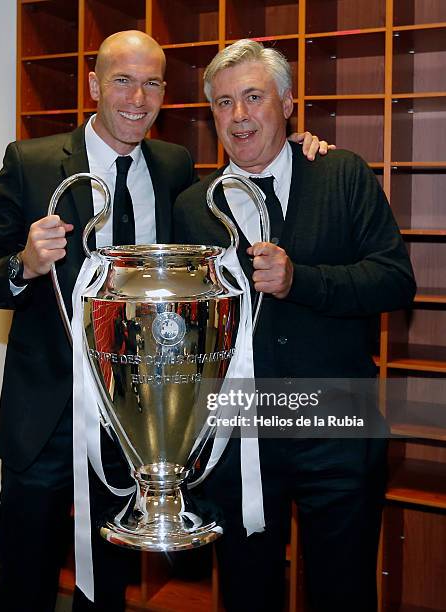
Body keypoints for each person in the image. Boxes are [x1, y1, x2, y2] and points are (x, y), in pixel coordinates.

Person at [0, 30, 331, 612]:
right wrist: (22, 264)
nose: (138, 98)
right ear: (93, 86)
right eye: (123, 80)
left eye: (153, 82)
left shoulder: (174, 165)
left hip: (134, 421)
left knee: (110, 582)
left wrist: (297, 144)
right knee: (26, 576)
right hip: (47, 416)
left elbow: (230, 201)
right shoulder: (30, 163)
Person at [173, 40, 416, 612]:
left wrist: (300, 281)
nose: (238, 116)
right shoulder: (191, 205)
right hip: (236, 436)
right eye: (224, 102)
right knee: (246, 589)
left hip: (337, 422)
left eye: (253, 97)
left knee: (344, 587)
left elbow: (393, 281)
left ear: (287, 103)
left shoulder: (341, 174)